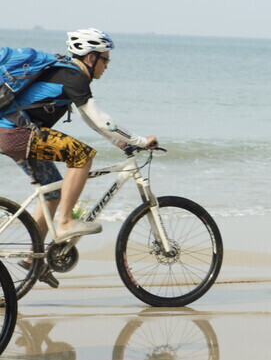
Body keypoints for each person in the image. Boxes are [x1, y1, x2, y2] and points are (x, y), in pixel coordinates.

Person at [0, 28, 158, 263]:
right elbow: (100, 118)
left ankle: (33, 258)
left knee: (52, 192)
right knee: (82, 156)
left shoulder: (67, 73)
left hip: (11, 133)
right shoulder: (73, 76)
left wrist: (120, 143)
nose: (107, 65)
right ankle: (64, 222)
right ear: (91, 57)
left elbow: (92, 121)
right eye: (105, 59)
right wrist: (139, 140)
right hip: (18, 134)